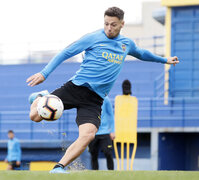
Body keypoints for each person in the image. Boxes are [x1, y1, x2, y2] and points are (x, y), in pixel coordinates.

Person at [26, 7, 179, 173]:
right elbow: (66, 52)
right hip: (76, 88)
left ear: (122, 24)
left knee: (88, 134)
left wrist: (165, 59)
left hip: (95, 99)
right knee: (35, 117)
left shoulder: (126, 44)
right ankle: (42, 96)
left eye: (113, 25)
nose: (109, 28)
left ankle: (58, 167)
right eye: (106, 24)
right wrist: (44, 73)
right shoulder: (93, 37)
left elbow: (142, 53)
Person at [88, 96, 115, 170]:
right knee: (93, 154)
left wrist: (112, 130)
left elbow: (111, 115)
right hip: (93, 132)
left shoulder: (106, 99)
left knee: (108, 153)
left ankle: (111, 173)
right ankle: (94, 174)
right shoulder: (89, 98)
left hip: (105, 132)